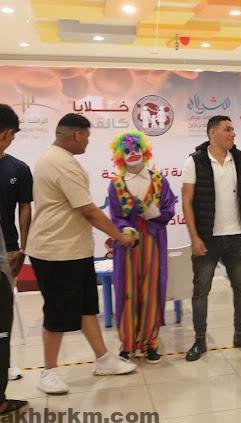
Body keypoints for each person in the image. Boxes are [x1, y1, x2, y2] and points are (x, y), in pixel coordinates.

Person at [26, 114, 137, 395]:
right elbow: (89, 211)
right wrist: (120, 236)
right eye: (87, 136)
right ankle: (48, 372)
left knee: (88, 307)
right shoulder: (62, 164)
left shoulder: (57, 158)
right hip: (55, 252)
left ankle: (103, 359)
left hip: (74, 250)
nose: (88, 141)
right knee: (57, 313)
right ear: (77, 135)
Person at [182, 115, 241, 362]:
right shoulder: (195, 161)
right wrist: (194, 237)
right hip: (208, 238)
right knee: (201, 291)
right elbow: (186, 202)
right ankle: (199, 340)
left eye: (233, 130)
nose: (233, 134)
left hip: (237, 237)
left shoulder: (239, 158)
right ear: (212, 133)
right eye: (227, 130)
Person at [108, 131, 176, 364]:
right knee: (127, 292)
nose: (133, 153)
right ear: (121, 156)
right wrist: (124, 228)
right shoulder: (116, 184)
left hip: (153, 244)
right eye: (127, 151)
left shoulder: (159, 180)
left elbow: (169, 209)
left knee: (150, 293)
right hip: (127, 245)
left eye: (137, 149)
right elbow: (115, 216)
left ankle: (149, 343)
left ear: (144, 151)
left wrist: (154, 213)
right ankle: (128, 344)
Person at [0, 109, 28, 416]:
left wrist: (22, 247)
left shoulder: (17, 168)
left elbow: (24, 208)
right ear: (7, 134)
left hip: (8, 252)